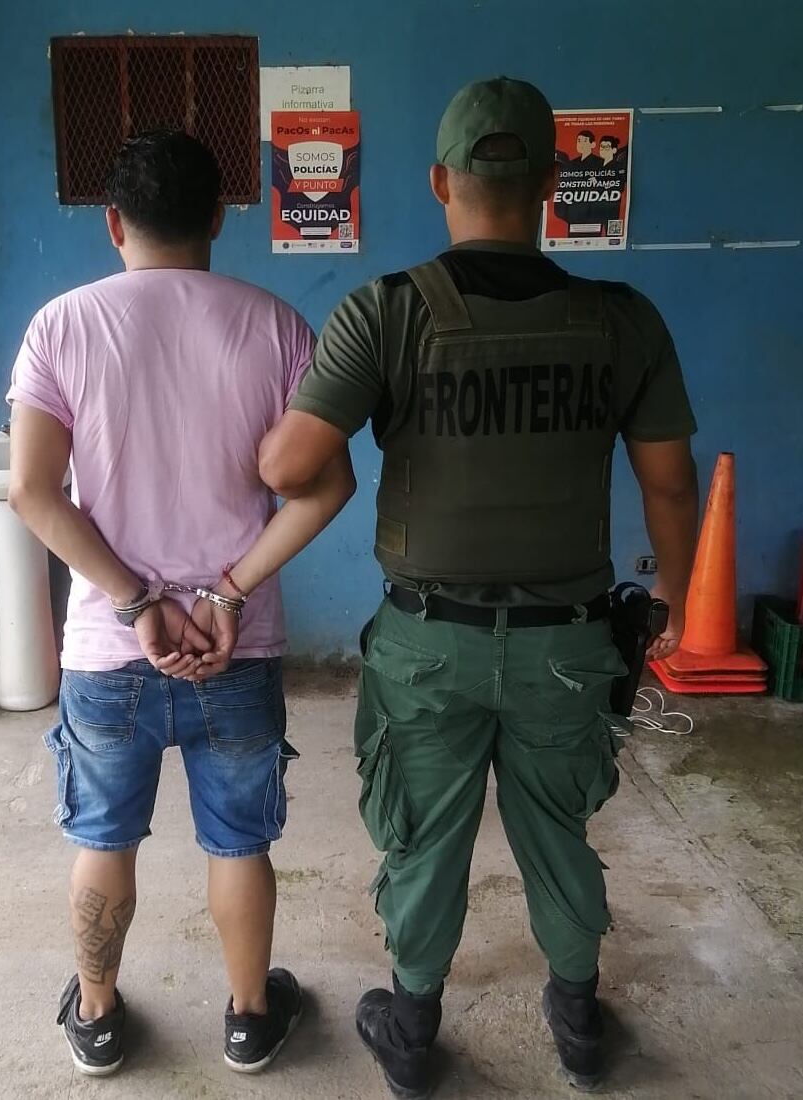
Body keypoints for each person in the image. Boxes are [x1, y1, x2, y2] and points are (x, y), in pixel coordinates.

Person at [258, 77, 699, 1097]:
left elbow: (288, 465)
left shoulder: (384, 311)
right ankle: (577, 1020)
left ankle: (412, 1030)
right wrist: (668, 608)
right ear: (549, 183)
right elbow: (669, 484)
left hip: (428, 642)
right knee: (556, 829)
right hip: (567, 643)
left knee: (420, 836)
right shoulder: (621, 320)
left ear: (437, 181)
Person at [7, 129, 355, 1079]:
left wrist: (135, 601)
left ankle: (97, 1016)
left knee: (102, 839)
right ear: (218, 217)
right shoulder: (278, 327)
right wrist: (228, 590)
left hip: (109, 653)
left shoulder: (60, 326)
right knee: (238, 843)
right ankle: (249, 1018)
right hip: (236, 647)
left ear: (113, 223)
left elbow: (33, 490)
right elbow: (327, 486)